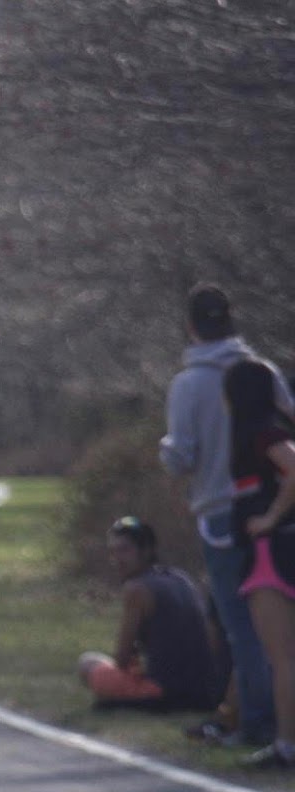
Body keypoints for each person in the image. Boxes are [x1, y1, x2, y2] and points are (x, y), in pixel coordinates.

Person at [159, 282, 291, 747]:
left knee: (241, 628)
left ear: (190, 326)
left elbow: (181, 456)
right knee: (278, 627)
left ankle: (257, 724)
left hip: (220, 513)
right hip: (271, 510)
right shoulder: (263, 370)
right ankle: (270, 721)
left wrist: (165, 450)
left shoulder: (188, 384)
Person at [224, 358, 295, 770]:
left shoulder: (262, 432)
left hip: (271, 552)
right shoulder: (262, 431)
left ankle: (287, 745)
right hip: (279, 547)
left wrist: (269, 518)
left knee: (283, 657)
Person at [76, 517, 225, 711]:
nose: (117, 559)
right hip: (204, 690)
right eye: (113, 552)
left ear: (146, 551)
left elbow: (122, 659)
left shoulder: (135, 589)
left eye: (124, 550)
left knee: (87, 663)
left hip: (163, 692)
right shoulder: (181, 578)